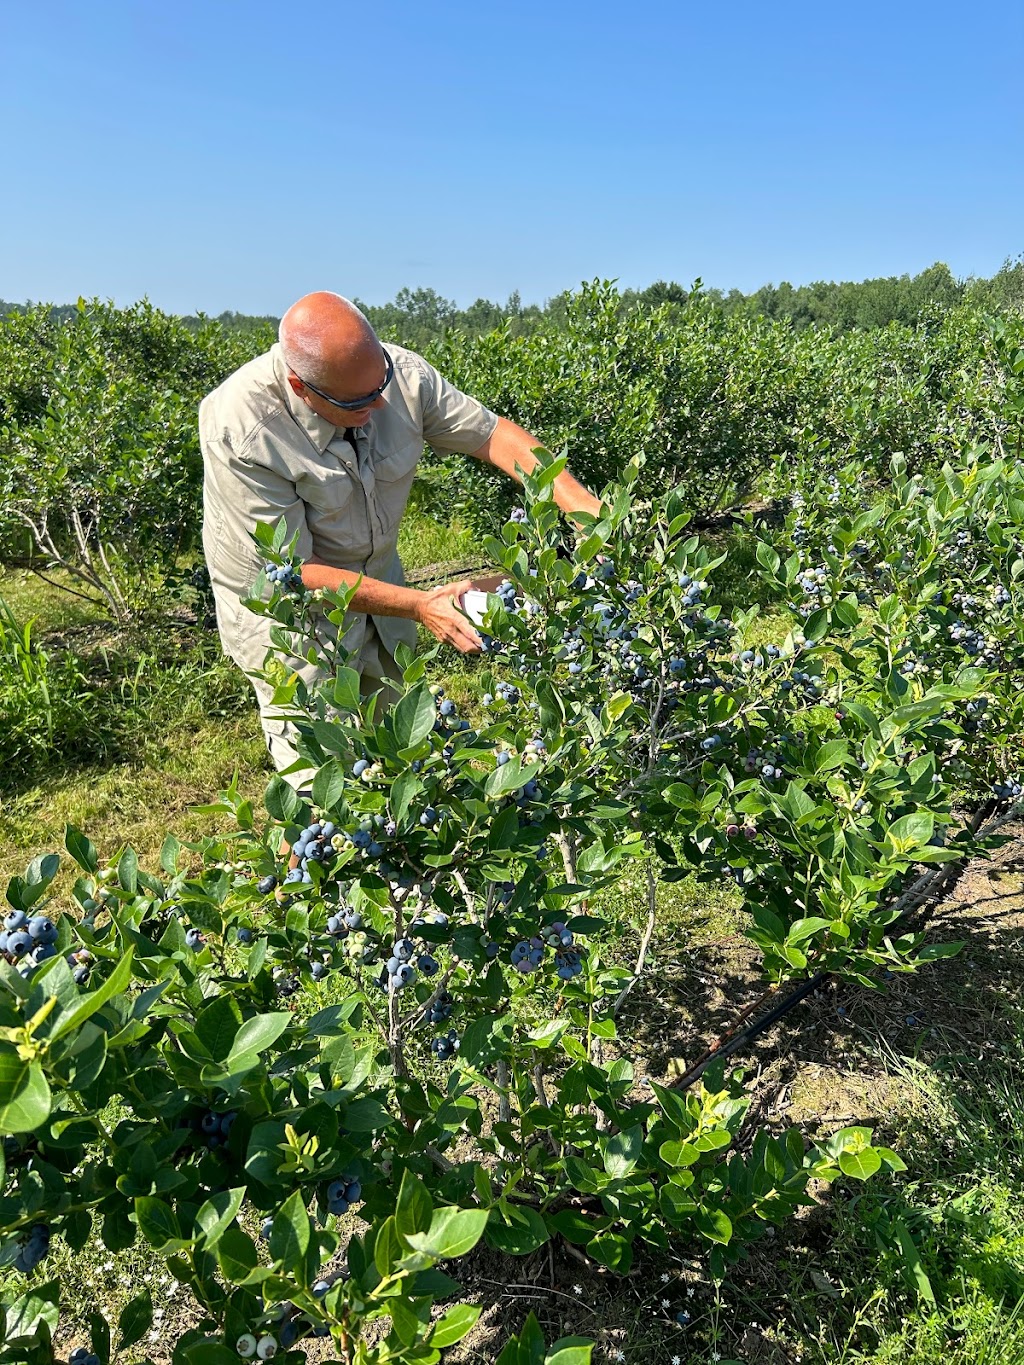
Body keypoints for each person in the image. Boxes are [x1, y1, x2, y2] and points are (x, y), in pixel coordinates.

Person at [199, 291, 601, 787]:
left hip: (379, 578)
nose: (382, 403)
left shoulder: (398, 376)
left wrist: (584, 508)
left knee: (401, 750)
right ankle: (294, 864)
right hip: (294, 619)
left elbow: (493, 435)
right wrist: (420, 605)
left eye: (381, 383)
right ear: (303, 389)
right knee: (324, 784)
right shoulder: (241, 428)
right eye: (360, 401)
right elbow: (292, 572)